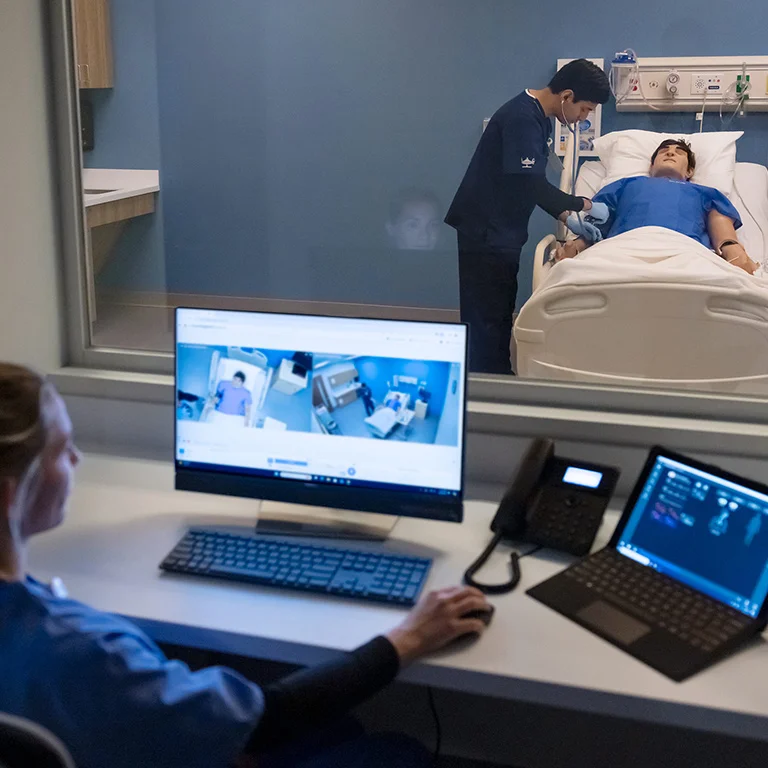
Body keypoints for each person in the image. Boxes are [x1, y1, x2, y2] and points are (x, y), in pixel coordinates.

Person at [0, 364, 492, 768]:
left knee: (337, 726)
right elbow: (267, 720)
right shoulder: (86, 653)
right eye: (63, 449)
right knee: (397, 753)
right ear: (9, 494)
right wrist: (409, 638)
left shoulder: (52, 633)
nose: (79, 459)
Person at [445, 59, 611, 374]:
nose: (583, 117)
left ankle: (493, 377)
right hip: (486, 230)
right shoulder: (522, 119)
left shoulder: (540, 118)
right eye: (585, 109)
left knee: (498, 312)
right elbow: (530, 183)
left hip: (499, 229)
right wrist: (582, 205)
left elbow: (528, 184)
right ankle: (487, 386)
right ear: (567, 96)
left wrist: (566, 214)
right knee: (487, 318)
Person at [555, 139, 759, 275]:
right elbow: (598, 223)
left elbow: (721, 227)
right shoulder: (626, 184)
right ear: (651, 166)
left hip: (685, 252)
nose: (670, 153)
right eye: (664, 151)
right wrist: (575, 247)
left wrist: (734, 253)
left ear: (689, 171)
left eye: (678, 153)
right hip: (621, 250)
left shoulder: (704, 192)